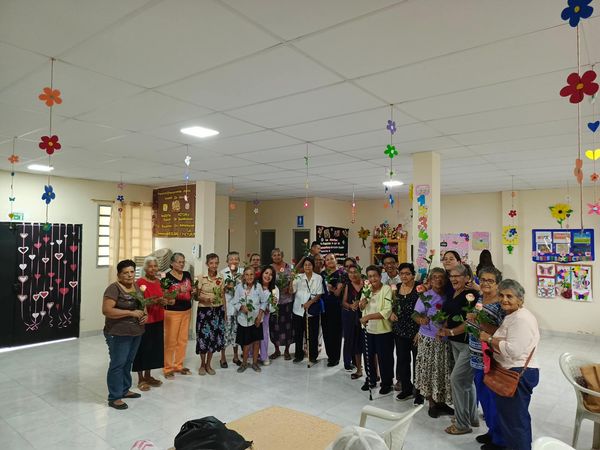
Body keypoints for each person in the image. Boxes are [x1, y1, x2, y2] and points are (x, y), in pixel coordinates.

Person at [480, 280, 540, 450]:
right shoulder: (513, 315)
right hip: (510, 369)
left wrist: (489, 339)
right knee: (510, 417)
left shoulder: (521, 319)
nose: (504, 299)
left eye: (509, 296)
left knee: (516, 421)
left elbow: (513, 350)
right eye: (501, 295)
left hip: (517, 373)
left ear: (520, 299)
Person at [467, 267, 505, 450]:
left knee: (492, 399)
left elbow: (503, 332)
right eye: (483, 280)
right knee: (483, 395)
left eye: (490, 280)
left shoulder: (501, 304)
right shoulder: (481, 298)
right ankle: (491, 431)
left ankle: (499, 439)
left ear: (498, 283)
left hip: (490, 357)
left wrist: (479, 322)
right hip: (476, 354)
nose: (486, 283)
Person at [439, 264, 479, 435]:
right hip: (455, 343)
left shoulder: (472, 295)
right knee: (466, 382)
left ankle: (462, 424)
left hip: (468, 343)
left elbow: (471, 322)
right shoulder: (452, 293)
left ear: (467, 278)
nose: (453, 279)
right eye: (451, 276)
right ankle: (471, 417)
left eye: (457, 276)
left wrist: (451, 331)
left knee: (456, 379)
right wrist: (443, 327)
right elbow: (448, 313)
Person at [102, 259, 147, 410]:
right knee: (118, 363)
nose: (129, 275)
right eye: (125, 273)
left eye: (132, 272)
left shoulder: (136, 287)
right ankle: (114, 397)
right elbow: (107, 310)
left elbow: (142, 305)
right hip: (118, 333)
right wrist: (130, 313)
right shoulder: (113, 289)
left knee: (128, 362)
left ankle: (124, 389)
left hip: (136, 332)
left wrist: (145, 315)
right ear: (119, 275)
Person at [413, 268, 454, 418]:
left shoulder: (450, 296)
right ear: (430, 280)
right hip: (428, 340)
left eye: (441, 277)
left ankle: (441, 402)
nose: (438, 280)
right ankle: (431, 403)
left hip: (445, 340)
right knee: (429, 371)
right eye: (435, 277)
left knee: (443, 371)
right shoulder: (425, 296)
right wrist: (420, 319)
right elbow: (415, 314)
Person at [133, 256, 169, 391]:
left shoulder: (159, 282)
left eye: (155, 266)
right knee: (142, 349)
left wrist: (164, 301)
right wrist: (154, 301)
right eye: (150, 266)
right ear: (145, 268)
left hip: (158, 319)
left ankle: (148, 376)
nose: (153, 269)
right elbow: (138, 303)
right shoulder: (139, 283)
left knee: (153, 349)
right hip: (145, 321)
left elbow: (162, 296)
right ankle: (140, 378)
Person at [359, 265, 394, 396]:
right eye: (370, 276)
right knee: (368, 356)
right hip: (368, 329)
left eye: (375, 276)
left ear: (380, 276)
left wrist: (368, 317)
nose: (372, 279)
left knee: (384, 358)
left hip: (383, 330)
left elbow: (387, 311)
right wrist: (362, 304)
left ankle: (387, 383)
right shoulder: (366, 289)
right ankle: (371, 379)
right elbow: (362, 308)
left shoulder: (386, 289)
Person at [390, 263, 423, 404]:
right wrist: (391, 313)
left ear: (413, 275)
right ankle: (406, 388)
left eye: (407, 273)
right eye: (402, 273)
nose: (404, 276)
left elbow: (425, 310)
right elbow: (391, 304)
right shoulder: (396, 288)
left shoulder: (419, 288)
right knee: (403, 361)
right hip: (400, 331)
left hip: (416, 331)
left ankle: (419, 392)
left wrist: (420, 331)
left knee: (418, 362)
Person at [163, 252, 194, 378]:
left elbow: (191, 289)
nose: (182, 264)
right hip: (172, 312)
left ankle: (178, 365)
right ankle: (168, 368)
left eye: (183, 262)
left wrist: (193, 291)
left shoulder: (187, 275)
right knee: (171, 341)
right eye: (179, 262)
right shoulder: (166, 277)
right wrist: (177, 290)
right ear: (172, 263)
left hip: (186, 310)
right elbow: (164, 294)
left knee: (183, 340)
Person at [195, 253, 225, 376]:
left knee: (213, 338)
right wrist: (205, 299)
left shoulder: (221, 278)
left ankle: (208, 364)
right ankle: (202, 364)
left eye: (216, 263)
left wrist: (224, 312)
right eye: (211, 263)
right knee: (203, 338)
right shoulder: (201, 277)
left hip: (217, 311)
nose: (214, 265)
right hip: (204, 311)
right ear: (207, 264)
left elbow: (222, 295)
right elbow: (195, 296)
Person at [232, 267, 267, 373]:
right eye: (247, 275)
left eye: (251, 274)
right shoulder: (239, 287)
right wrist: (242, 307)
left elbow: (264, 302)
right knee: (246, 343)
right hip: (244, 320)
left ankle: (255, 363)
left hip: (256, 320)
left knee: (256, 342)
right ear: (243, 276)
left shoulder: (258, 286)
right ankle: (244, 363)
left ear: (254, 276)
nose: (249, 277)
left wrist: (259, 316)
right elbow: (235, 302)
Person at [291, 257, 323, 364]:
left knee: (313, 333)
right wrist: (291, 280)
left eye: (309, 264)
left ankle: (313, 356)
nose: (307, 267)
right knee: (299, 333)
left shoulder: (318, 277)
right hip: (298, 309)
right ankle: (298, 355)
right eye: (305, 265)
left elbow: (319, 293)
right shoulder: (299, 277)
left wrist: (310, 303)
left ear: (313, 266)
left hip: (312, 309)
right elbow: (292, 291)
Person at [269, 248, 294, 361]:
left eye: (278, 255)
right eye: (274, 255)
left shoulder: (289, 267)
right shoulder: (270, 268)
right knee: (275, 326)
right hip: (274, 301)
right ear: (272, 257)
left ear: (282, 255)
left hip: (287, 301)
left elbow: (293, 281)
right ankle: (277, 350)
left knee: (288, 326)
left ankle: (287, 350)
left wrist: (289, 288)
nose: (277, 257)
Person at [220, 251, 243, 368]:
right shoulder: (222, 273)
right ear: (227, 261)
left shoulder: (242, 272)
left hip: (239, 308)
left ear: (239, 260)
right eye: (231, 259)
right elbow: (221, 293)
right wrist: (223, 309)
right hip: (228, 308)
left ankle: (235, 356)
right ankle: (223, 357)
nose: (234, 261)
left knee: (236, 332)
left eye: (236, 259)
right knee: (225, 332)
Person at [321, 253, 344, 367]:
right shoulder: (323, 274)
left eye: (332, 259)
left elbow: (338, 293)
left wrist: (332, 289)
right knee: (326, 332)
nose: (330, 261)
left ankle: (335, 357)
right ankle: (330, 355)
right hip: (324, 307)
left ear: (336, 260)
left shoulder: (341, 274)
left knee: (335, 332)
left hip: (336, 307)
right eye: (327, 259)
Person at [342, 263, 364, 378]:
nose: (353, 275)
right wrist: (350, 306)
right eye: (350, 272)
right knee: (355, 343)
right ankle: (358, 369)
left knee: (367, 343)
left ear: (360, 272)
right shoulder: (348, 285)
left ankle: (374, 371)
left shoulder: (366, 284)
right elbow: (344, 302)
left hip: (365, 317)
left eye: (355, 272)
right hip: (352, 318)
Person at [257, 266, 277, 366]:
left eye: (271, 274)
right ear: (262, 274)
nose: (268, 276)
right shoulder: (256, 285)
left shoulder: (274, 289)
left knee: (264, 334)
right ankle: (252, 355)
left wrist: (272, 304)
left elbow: (273, 308)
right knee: (252, 334)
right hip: (254, 313)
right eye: (266, 273)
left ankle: (264, 356)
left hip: (265, 315)